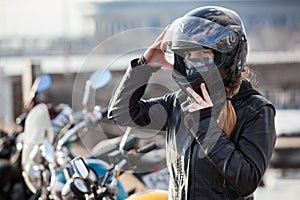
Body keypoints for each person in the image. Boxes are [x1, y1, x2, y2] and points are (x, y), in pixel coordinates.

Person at [108, 6, 276, 200]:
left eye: (203, 54)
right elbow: (121, 113)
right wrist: (144, 67)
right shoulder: (179, 103)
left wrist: (205, 124)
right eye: (188, 56)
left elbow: (246, 181)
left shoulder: (255, 110)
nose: (193, 62)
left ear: (227, 55)